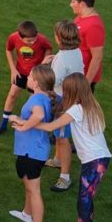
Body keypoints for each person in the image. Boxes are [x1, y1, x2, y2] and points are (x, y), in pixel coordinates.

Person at [17, 73, 112, 222]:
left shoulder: (77, 109)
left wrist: (24, 123)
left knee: (84, 202)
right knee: (86, 201)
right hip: (99, 159)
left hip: (94, 162)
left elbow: (50, 127)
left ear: (72, 90)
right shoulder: (92, 106)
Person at [6, 65, 55, 222]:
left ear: (36, 82)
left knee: (34, 190)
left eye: (30, 76)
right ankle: (27, 213)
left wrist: (21, 124)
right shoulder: (44, 97)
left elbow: (39, 115)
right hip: (35, 149)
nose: (27, 77)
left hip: (32, 151)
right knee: (28, 185)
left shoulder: (37, 101)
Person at [45, 20, 86, 192]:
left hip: (63, 100)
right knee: (60, 135)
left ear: (59, 38)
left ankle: (65, 176)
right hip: (74, 97)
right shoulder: (75, 51)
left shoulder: (62, 58)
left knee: (62, 138)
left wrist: (46, 65)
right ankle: (57, 159)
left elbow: (53, 80)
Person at [0, 20, 53, 133]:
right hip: (20, 72)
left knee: (33, 99)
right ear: (20, 36)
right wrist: (13, 69)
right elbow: (8, 50)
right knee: (12, 94)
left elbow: (49, 48)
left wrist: (43, 63)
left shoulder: (41, 39)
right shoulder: (13, 37)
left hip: (35, 76)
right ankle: (3, 123)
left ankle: (28, 123)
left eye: (34, 40)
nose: (32, 42)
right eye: (29, 41)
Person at [69, 0, 105, 88]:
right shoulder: (81, 16)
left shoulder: (94, 25)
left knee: (79, 104)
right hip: (74, 72)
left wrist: (86, 82)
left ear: (82, 4)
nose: (70, 5)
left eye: (73, 2)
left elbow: (97, 57)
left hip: (82, 77)